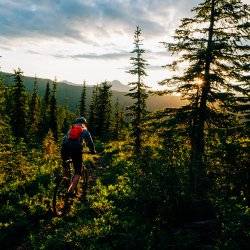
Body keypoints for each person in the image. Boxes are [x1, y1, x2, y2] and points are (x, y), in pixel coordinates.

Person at [61, 116, 96, 193]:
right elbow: (90, 142)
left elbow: (64, 139)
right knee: (78, 172)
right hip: (76, 150)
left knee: (65, 163)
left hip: (64, 148)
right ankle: (70, 191)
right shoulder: (85, 130)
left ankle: (64, 180)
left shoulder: (71, 129)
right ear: (84, 123)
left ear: (76, 123)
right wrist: (93, 150)